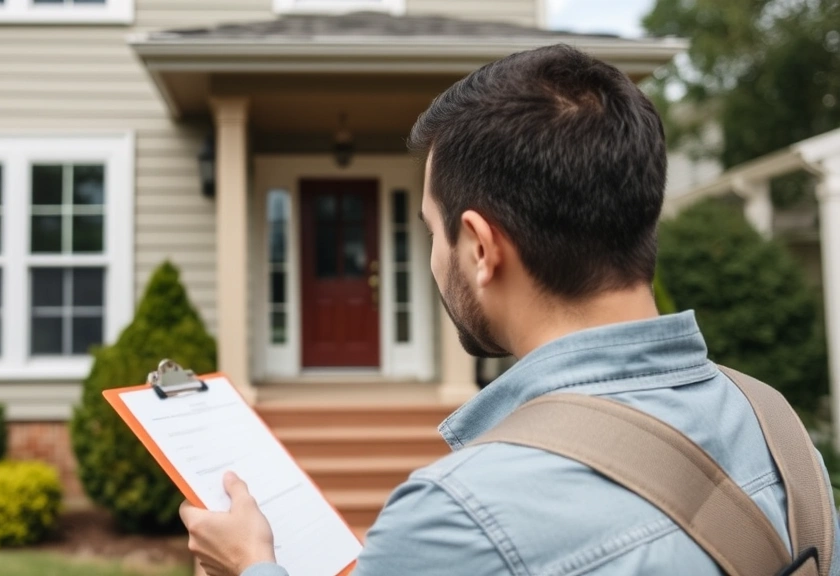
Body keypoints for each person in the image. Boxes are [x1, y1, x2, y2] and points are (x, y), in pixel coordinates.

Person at [178, 44, 840, 576]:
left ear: (480, 247)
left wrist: (250, 564)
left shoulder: (460, 512)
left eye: (432, 231)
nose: (435, 256)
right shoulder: (779, 430)